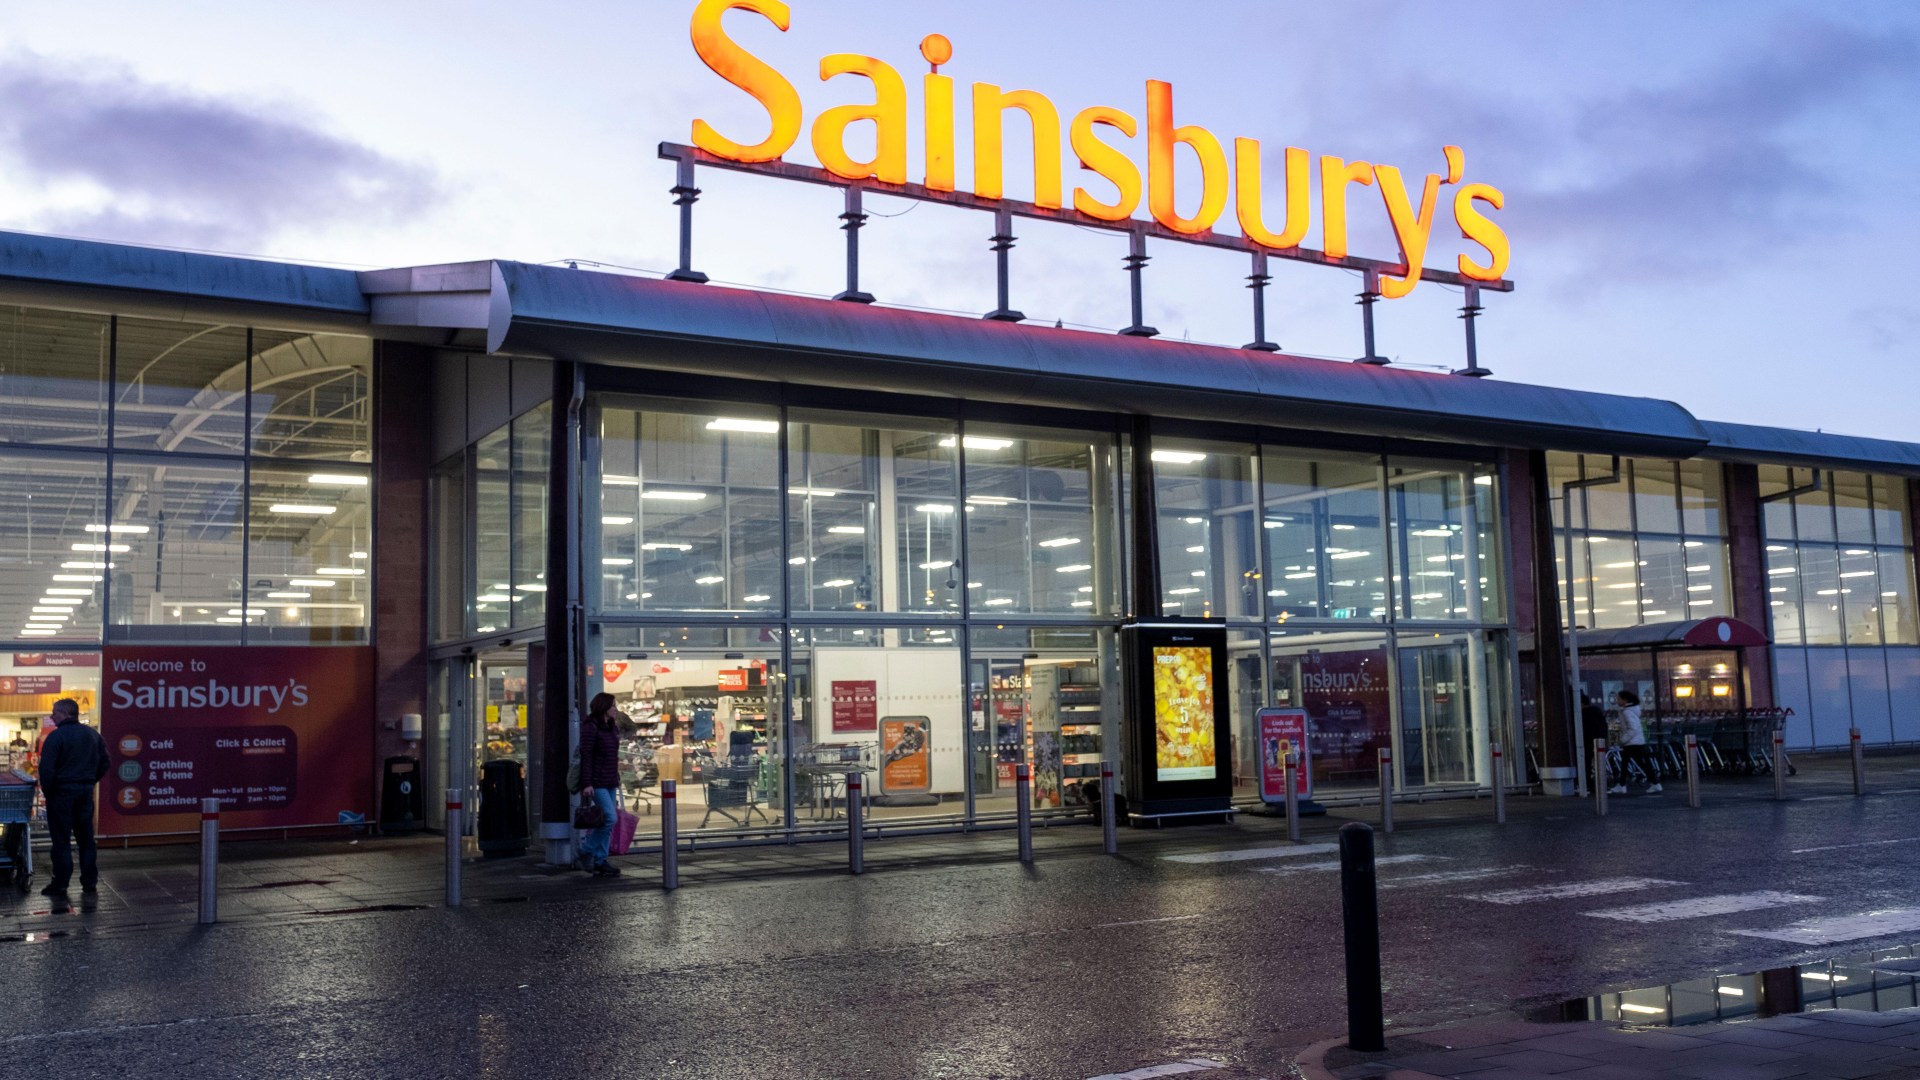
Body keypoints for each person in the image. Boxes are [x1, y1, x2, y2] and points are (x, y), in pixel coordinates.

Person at [36, 698, 108, 897]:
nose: (52, 716)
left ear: (66, 714)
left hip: (61, 795)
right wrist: (89, 781)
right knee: (86, 840)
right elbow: (105, 763)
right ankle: (89, 882)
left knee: (61, 841)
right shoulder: (93, 735)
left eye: (55, 713)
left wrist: (49, 792)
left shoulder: (56, 737)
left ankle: (60, 883)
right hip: (84, 793)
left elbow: (47, 769)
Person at [575, 692, 624, 877]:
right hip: (596, 782)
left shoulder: (611, 727)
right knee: (611, 818)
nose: (615, 709)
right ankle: (585, 850)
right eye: (613, 705)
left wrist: (616, 778)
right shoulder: (591, 727)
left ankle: (600, 860)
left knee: (605, 821)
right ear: (603, 707)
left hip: (609, 780)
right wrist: (586, 783)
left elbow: (612, 756)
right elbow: (586, 756)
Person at [1609, 689, 1662, 795]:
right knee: (1637, 763)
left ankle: (1623, 785)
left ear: (1625, 700)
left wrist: (1622, 740)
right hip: (1636, 741)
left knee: (1630, 763)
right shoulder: (1631, 710)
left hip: (1632, 742)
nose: (1617, 700)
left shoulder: (1627, 712)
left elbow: (1632, 728)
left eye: (1619, 698)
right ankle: (1654, 783)